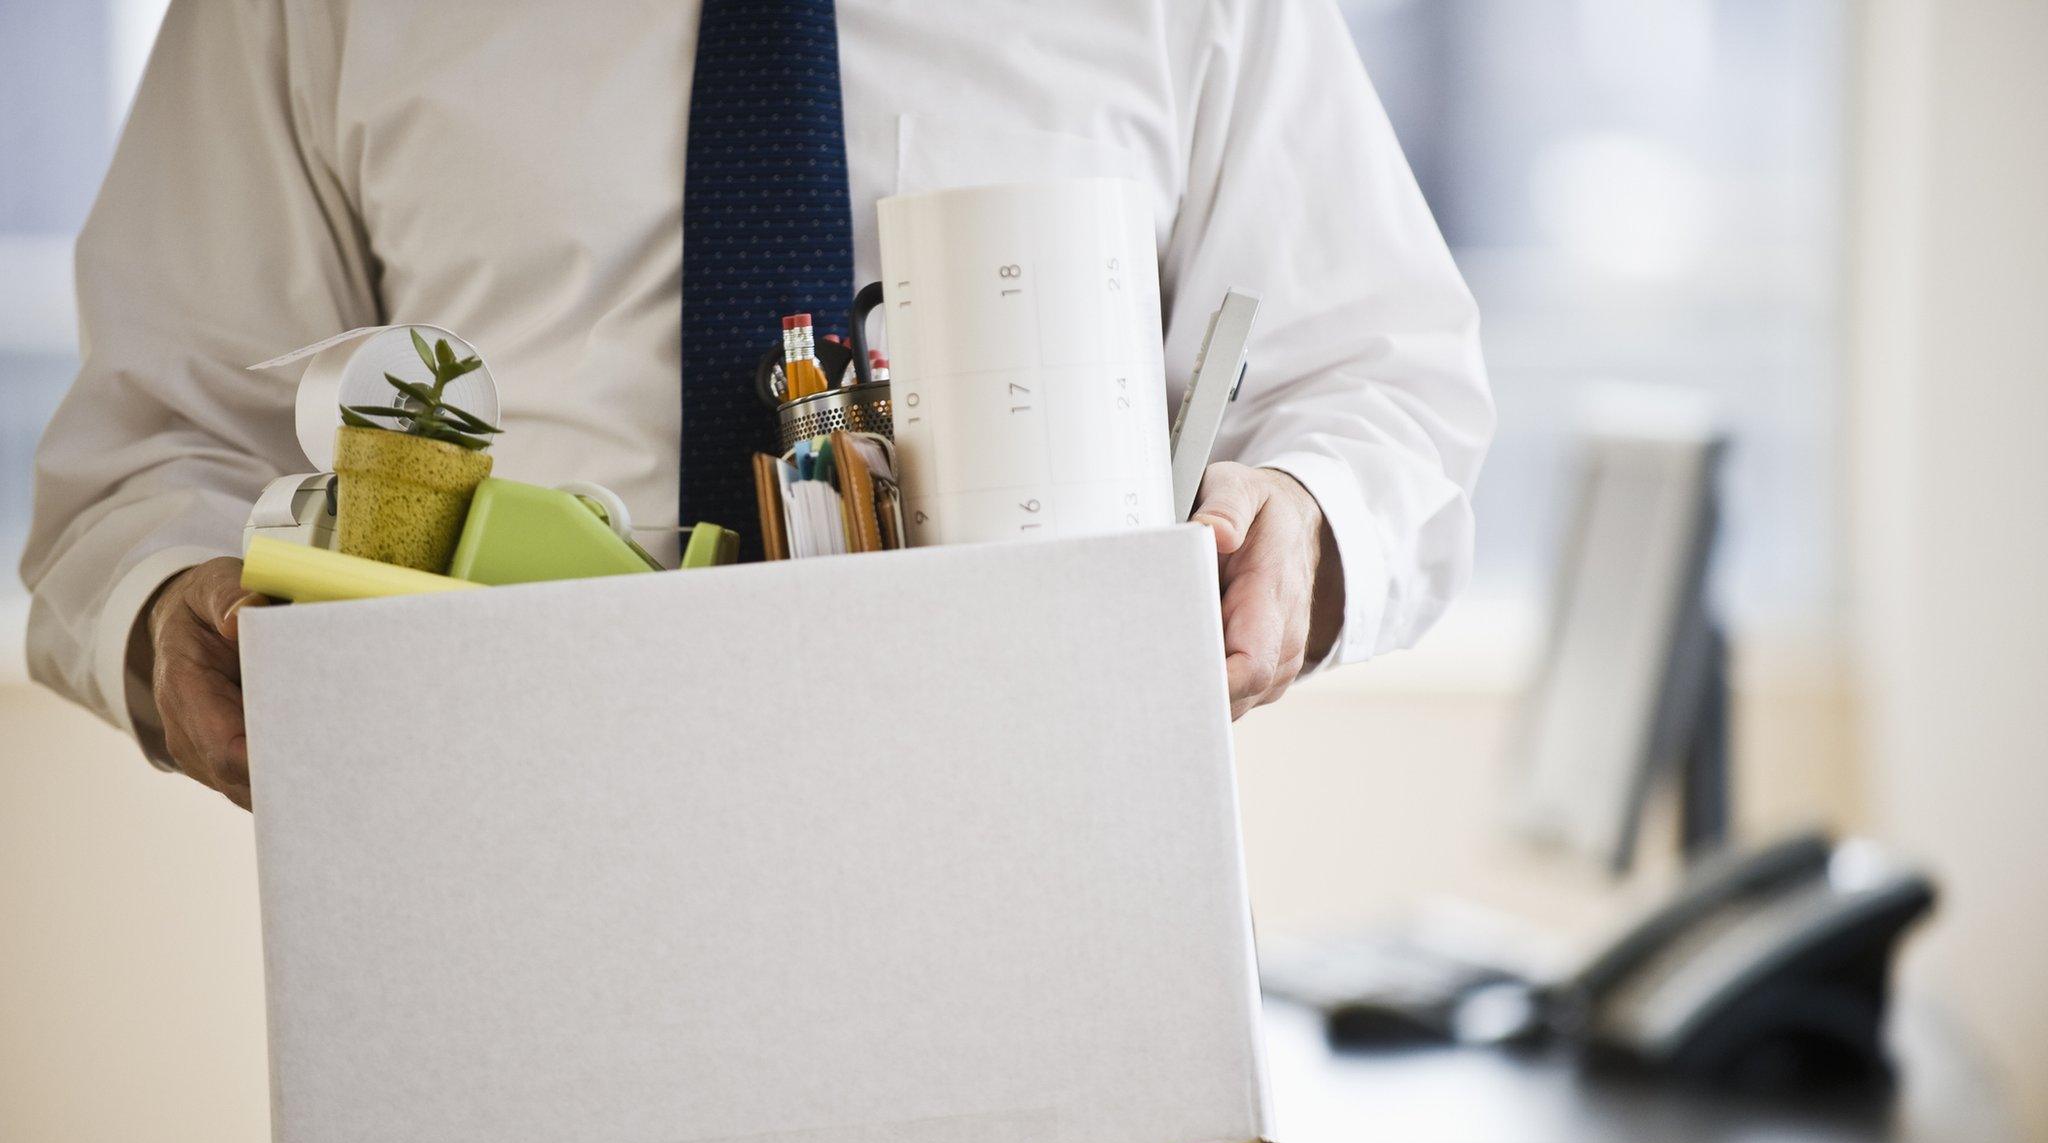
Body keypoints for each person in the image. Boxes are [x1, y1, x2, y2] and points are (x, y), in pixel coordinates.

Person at [21, 0, 1493, 811]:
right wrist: (171, 610)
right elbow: (166, 438)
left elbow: (1372, 377)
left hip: (1048, 851)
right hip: (490, 873)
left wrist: (1305, 516)